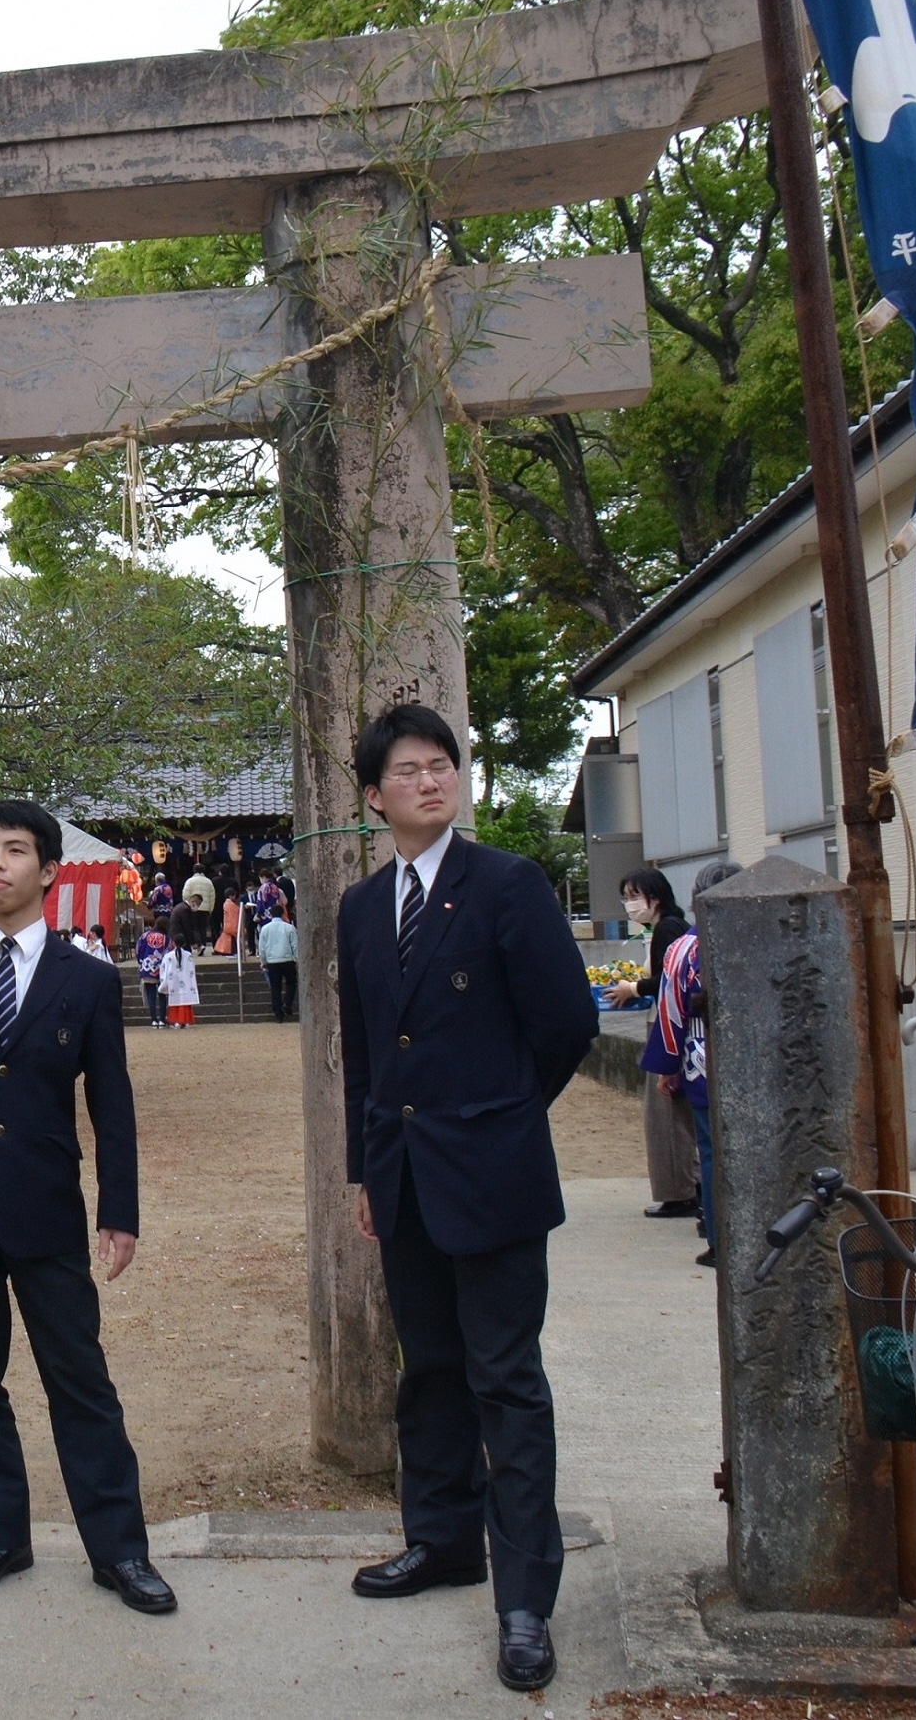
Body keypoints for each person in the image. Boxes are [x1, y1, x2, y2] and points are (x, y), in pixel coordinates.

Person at [335, 705, 598, 1695]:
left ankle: (525, 1597)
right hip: (402, 1179)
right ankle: (440, 1540)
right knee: (430, 1370)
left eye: (444, 765)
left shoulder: (506, 885)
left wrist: (505, 1114)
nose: (432, 781)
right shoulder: (363, 907)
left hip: (493, 1174)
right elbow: (364, 1051)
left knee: (505, 1379)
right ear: (375, 795)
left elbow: (567, 1020)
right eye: (409, 769)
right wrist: (367, 1168)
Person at [0, 798, 173, 1617]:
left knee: (79, 1381)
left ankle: (120, 1551)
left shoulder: (85, 978)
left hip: (46, 1208)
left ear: (48, 870)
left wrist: (119, 1208)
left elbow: (111, 1103)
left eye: (15, 851)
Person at [640, 859, 741, 1268]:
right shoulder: (760, 936)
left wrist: (668, 1068)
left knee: (713, 1152)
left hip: (700, 1062)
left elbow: (671, 1014)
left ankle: (720, 1240)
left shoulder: (683, 950)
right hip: (758, 1067)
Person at [610, 868, 697, 1221]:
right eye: (626, 896)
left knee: (664, 1113)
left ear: (655, 897)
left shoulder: (667, 928)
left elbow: (667, 979)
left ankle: (679, 1192)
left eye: (634, 896)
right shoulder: (667, 927)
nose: (629, 904)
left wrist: (633, 989)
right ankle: (686, 1188)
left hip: (667, 1025)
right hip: (671, 1023)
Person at [257, 906, 299, 1021]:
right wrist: (297, 958)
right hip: (287, 960)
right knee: (291, 983)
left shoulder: (265, 929)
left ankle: (278, 1013)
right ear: (282, 914)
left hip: (272, 961)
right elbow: (295, 945)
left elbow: (262, 947)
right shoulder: (289, 927)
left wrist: (263, 961)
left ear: (270, 914)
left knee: (275, 987)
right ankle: (287, 1003)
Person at [158, 937, 200, 1027]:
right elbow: (191, 970)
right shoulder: (188, 955)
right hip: (186, 980)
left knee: (175, 999)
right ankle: (186, 1020)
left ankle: (176, 1021)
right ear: (184, 943)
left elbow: (164, 970)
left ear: (173, 943)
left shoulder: (168, 956)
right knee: (185, 999)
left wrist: (163, 982)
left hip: (173, 981)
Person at [134, 925, 169, 1026]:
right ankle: (162, 1019)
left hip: (147, 966)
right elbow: (168, 951)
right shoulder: (166, 937)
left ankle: (154, 1020)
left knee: (151, 995)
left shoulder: (144, 936)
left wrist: (140, 962)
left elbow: (137, 950)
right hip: (161, 969)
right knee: (162, 994)